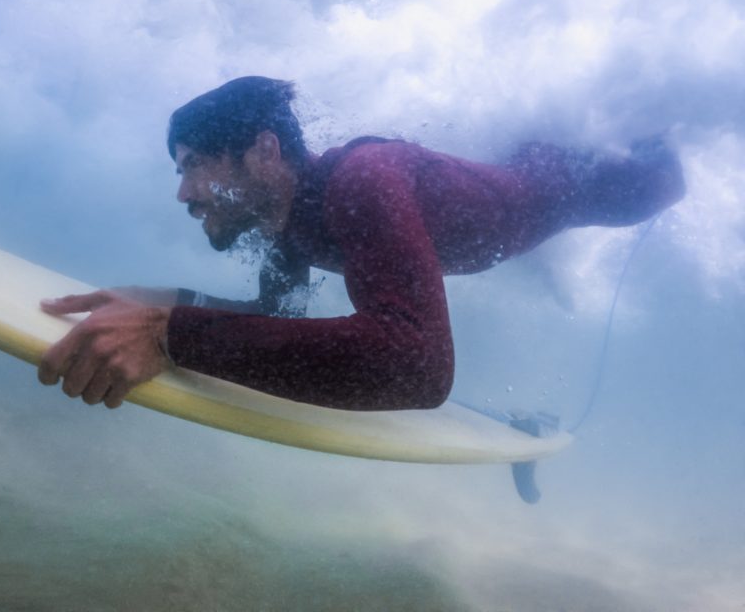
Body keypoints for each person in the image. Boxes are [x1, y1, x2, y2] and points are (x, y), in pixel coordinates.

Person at [37, 77, 685, 411]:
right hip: (534, 177)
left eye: (192, 165)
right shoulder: (288, 223)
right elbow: (274, 322)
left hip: (599, 181)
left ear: (264, 152)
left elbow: (417, 367)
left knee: (670, 175)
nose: (182, 193)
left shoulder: (361, 183)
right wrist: (158, 303)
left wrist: (170, 335)